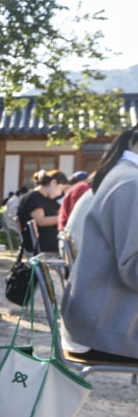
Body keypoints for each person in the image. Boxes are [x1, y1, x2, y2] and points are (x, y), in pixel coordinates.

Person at [63, 127, 138, 359]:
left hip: (98, 318)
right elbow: (132, 269)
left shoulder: (122, 174)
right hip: (106, 327)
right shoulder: (131, 183)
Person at [17, 169, 69, 253]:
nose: (60, 194)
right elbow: (41, 221)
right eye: (61, 189)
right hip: (41, 243)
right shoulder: (34, 197)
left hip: (48, 240)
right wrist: (65, 218)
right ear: (53, 183)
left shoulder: (48, 198)